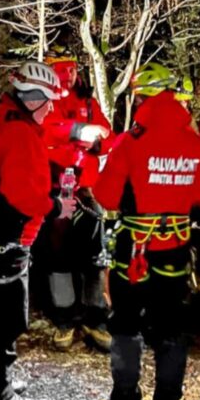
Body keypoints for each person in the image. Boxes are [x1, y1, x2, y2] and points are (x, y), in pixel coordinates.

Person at [93, 63, 200, 400]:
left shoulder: (131, 141)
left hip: (135, 252)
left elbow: (106, 196)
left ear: (143, 98)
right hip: (175, 251)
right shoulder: (196, 142)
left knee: (126, 327)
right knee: (171, 330)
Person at [0, 60, 76, 400]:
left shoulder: (2, 118)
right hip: (3, 236)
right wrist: (57, 206)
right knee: (3, 315)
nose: (51, 109)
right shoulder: (19, 132)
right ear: (34, 98)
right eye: (49, 102)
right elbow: (22, 195)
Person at [39, 46, 114, 351]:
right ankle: (64, 319)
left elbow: (107, 135)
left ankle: (95, 318)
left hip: (86, 190)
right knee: (59, 258)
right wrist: (78, 133)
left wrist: (96, 144)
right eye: (61, 70)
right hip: (56, 190)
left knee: (95, 256)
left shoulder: (88, 102)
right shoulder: (44, 102)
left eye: (71, 69)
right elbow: (46, 135)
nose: (68, 75)